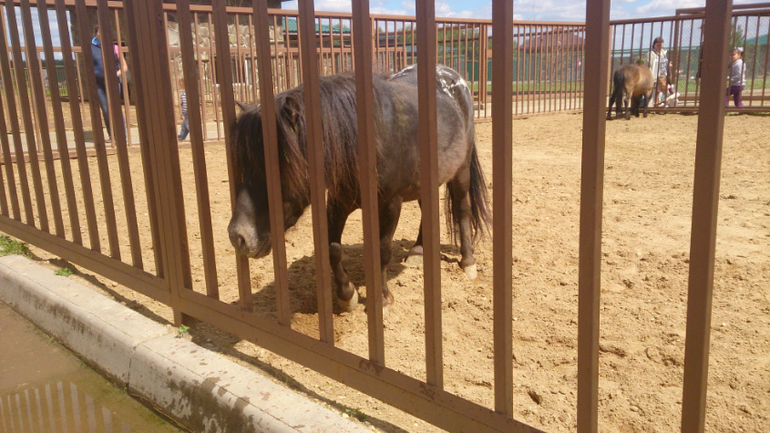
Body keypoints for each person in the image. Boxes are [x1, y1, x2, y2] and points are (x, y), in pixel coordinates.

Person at [92, 23, 128, 142]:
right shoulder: (91, 48)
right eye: (99, 31)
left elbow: (124, 67)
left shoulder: (114, 47)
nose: (101, 34)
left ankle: (122, 135)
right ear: (96, 33)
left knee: (114, 107)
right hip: (98, 84)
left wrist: (115, 75)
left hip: (113, 83)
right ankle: (112, 135)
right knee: (106, 109)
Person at [646, 37, 672, 103]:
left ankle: (660, 103)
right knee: (654, 91)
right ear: (654, 45)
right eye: (658, 45)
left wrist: (668, 64)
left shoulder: (664, 52)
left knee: (662, 90)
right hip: (655, 75)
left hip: (663, 75)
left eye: (661, 45)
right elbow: (650, 64)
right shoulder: (651, 53)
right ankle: (653, 104)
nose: (659, 47)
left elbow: (666, 61)